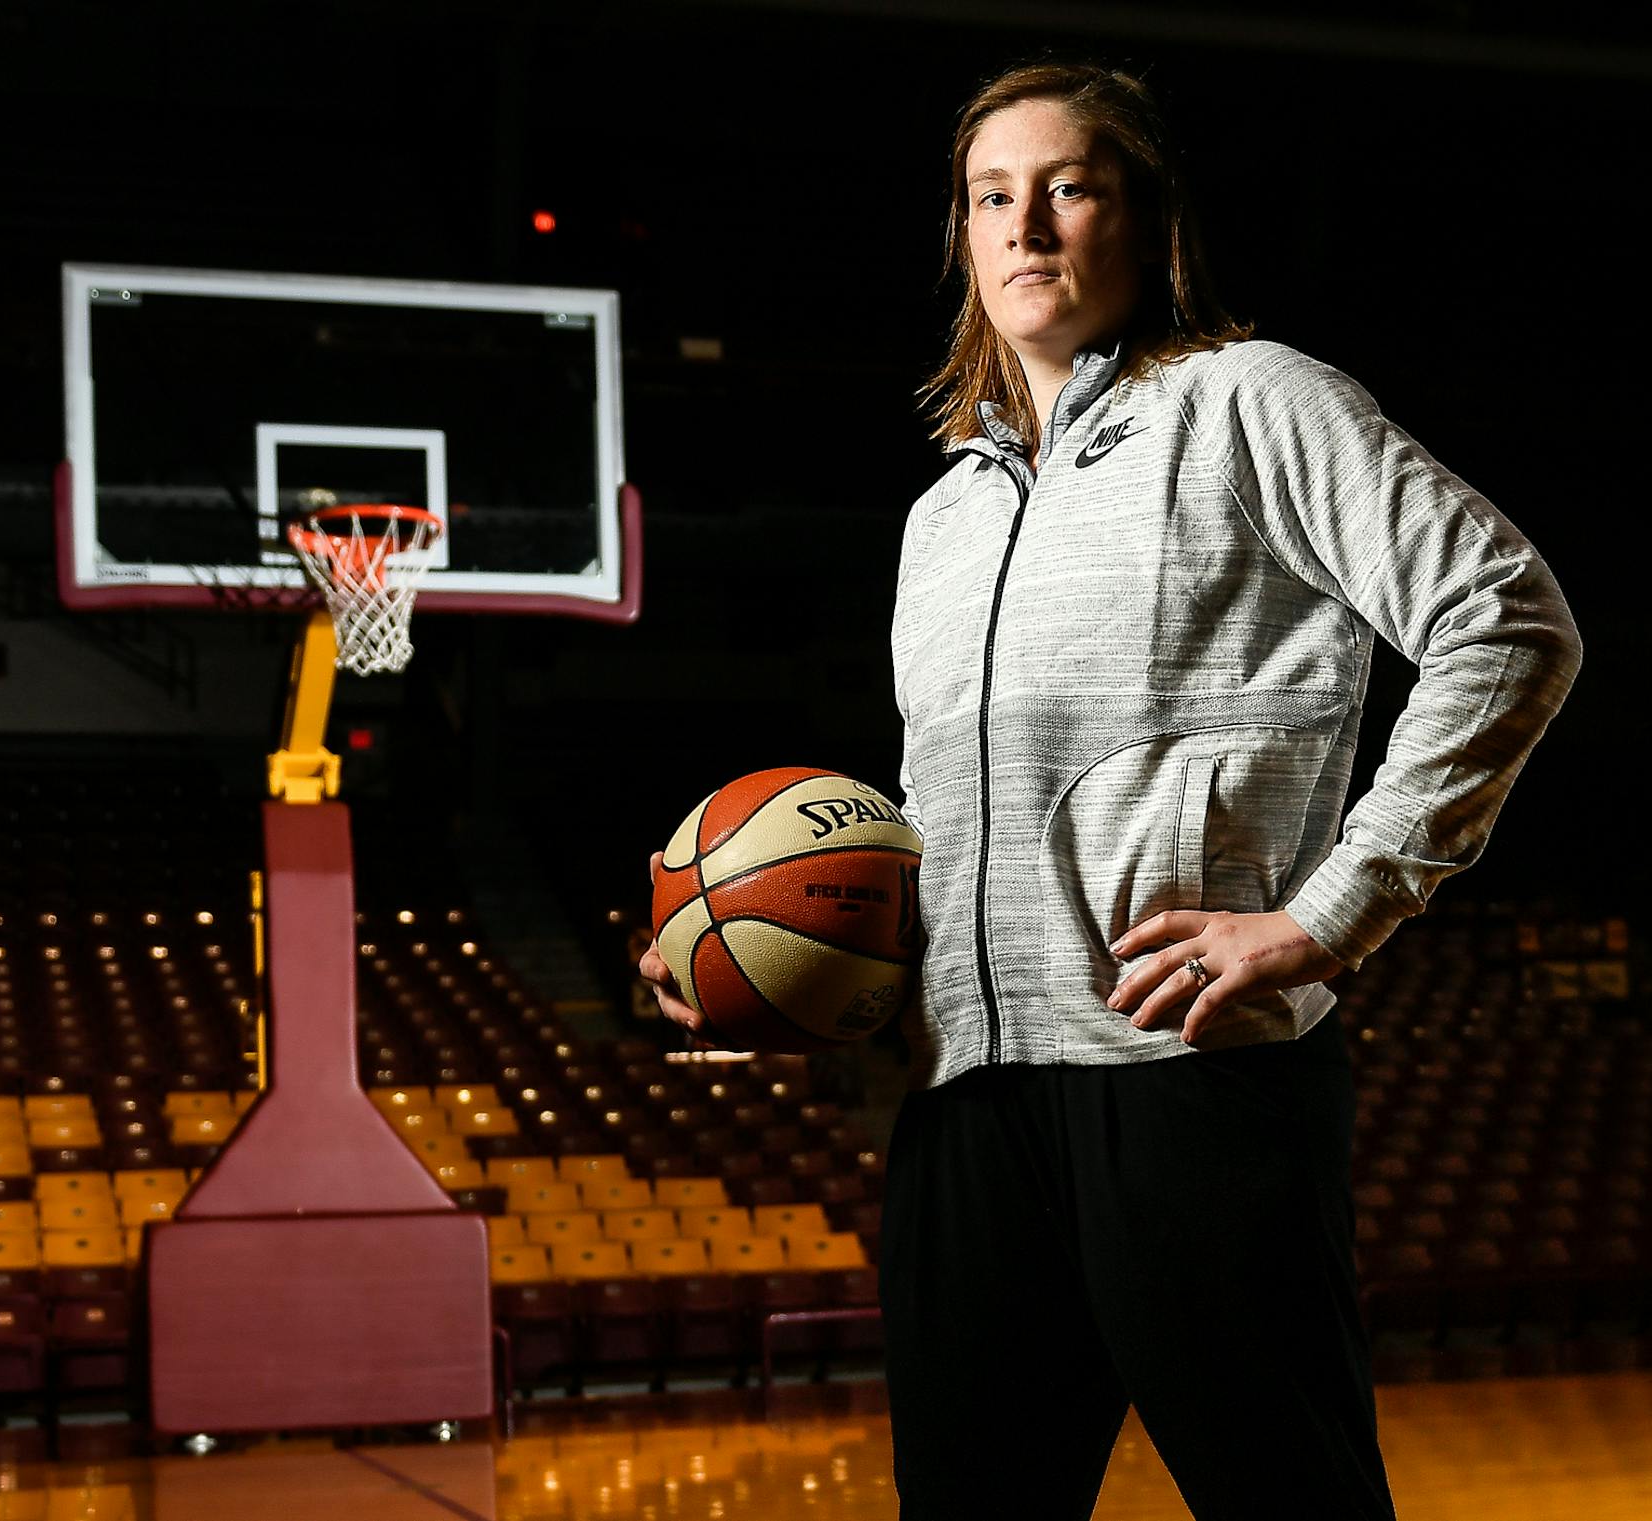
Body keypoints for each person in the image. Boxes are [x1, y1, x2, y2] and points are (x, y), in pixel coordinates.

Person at [638, 59, 1582, 1521]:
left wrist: (1332, 913)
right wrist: (771, 965)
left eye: (1071, 188)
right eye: (992, 197)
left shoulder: (1252, 403)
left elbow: (1509, 619)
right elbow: (931, 842)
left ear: (1146, 222)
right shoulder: (941, 517)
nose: (1030, 226)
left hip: (1192, 1078)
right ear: (961, 238)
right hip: (964, 1116)